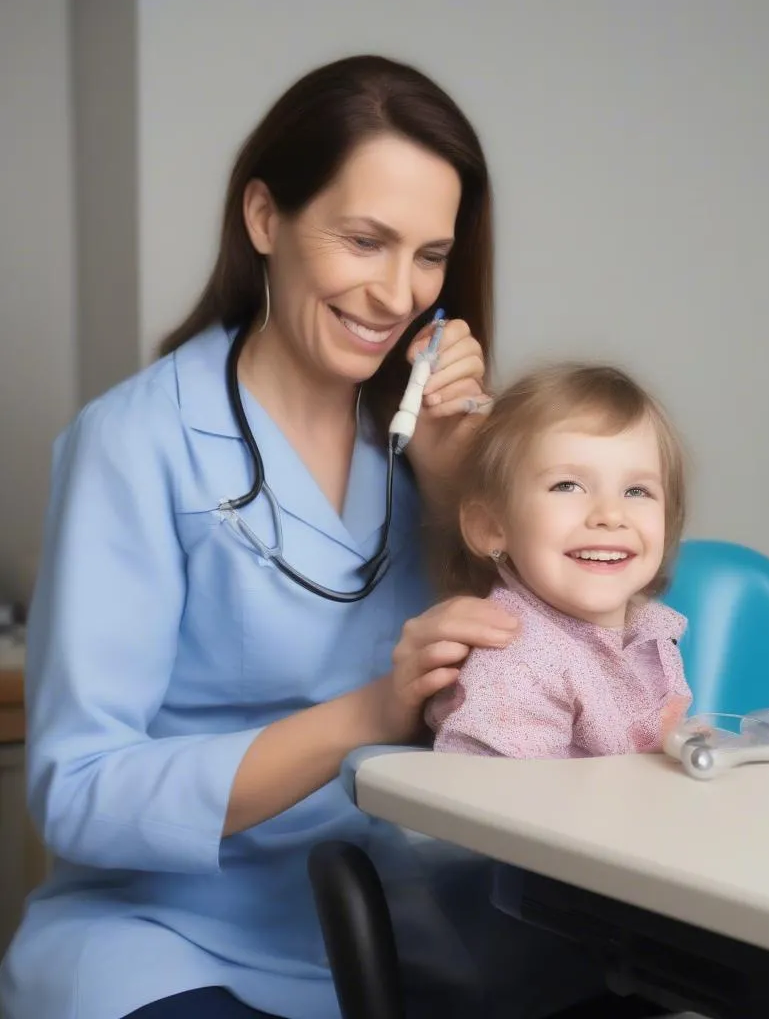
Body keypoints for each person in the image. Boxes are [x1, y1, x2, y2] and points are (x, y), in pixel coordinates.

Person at [0, 56, 662, 1019]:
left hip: (407, 914)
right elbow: (78, 794)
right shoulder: (134, 443)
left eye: (430, 255)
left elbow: (529, 687)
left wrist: (453, 484)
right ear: (265, 219)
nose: (399, 294)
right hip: (177, 941)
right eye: (364, 240)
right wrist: (367, 714)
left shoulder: (431, 445)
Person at [425, 364, 692, 758]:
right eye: (568, 485)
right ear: (490, 526)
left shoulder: (647, 630)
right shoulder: (516, 667)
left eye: (637, 491)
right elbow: (499, 813)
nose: (610, 514)